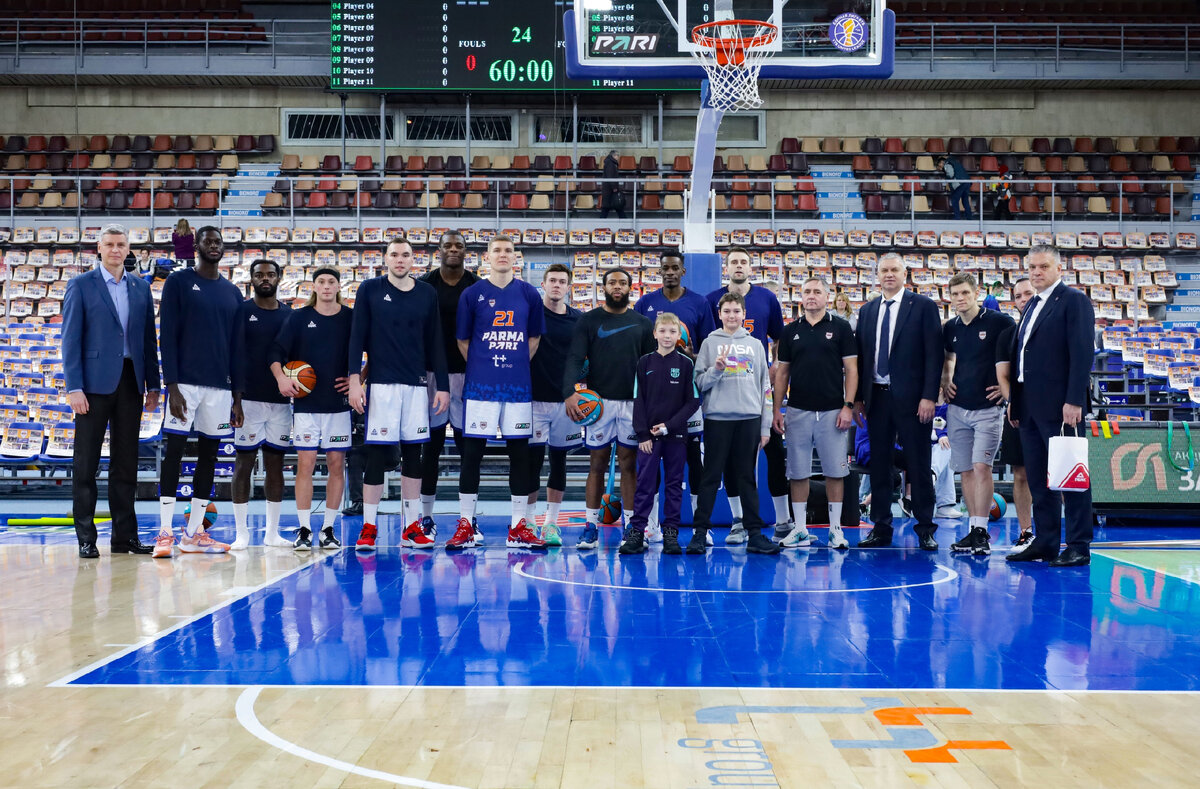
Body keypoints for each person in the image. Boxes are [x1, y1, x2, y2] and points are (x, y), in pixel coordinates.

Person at [63, 223, 160, 558]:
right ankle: (86, 538)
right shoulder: (80, 285)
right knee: (86, 464)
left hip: (131, 381)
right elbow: (70, 341)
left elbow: (148, 340)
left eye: (121, 244)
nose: (116, 249)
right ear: (99, 248)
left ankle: (124, 538)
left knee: (126, 463)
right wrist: (74, 387)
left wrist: (153, 384)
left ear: (128, 249)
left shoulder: (140, 287)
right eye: (110, 244)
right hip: (92, 386)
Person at [348, 237, 448, 551]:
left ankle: (411, 527)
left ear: (413, 259)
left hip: (416, 386)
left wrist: (443, 386)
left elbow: (435, 341)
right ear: (386, 259)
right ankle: (369, 526)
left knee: (414, 456)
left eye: (406, 254)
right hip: (381, 386)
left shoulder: (426, 293)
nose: (400, 259)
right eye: (394, 254)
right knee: (376, 455)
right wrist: (354, 379)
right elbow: (356, 336)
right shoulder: (369, 289)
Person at [447, 235, 546, 550]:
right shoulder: (472, 294)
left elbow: (533, 338)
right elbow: (463, 340)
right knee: (471, 455)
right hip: (481, 388)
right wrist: (484, 366)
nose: (503, 255)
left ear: (516, 257)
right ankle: (466, 524)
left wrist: (513, 365)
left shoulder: (529, 294)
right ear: (486, 257)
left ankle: (517, 527)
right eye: (497, 251)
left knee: (520, 456)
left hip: (517, 388)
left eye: (508, 250)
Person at [155, 226, 243, 558]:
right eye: (208, 241)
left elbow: (237, 348)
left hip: (220, 388)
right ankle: (165, 532)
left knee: (210, 456)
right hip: (185, 385)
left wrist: (237, 397)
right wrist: (172, 385)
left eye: (218, 241)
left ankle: (193, 534)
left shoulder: (232, 292)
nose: (214, 245)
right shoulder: (178, 282)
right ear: (196, 245)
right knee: (174, 453)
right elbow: (167, 335)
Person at [1006, 246, 1095, 567]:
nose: (1036, 272)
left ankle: (1078, 545)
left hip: (1060, 405)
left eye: (1043, 266)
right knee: (1038, 479)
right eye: (1032, 267)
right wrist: (1015, 402)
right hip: (1029, 405)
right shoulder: (1032, 305)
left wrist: (1074, 399)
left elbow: (1082, 353)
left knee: (1071, 476)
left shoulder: (1074, 301)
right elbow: (1022, 356)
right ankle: (1045, 541)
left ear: (1059, 268)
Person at [853, 253, 944, 550]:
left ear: (905, 274)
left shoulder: (923, 306)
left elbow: (934, 355)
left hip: (914, 400)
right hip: (876, 397)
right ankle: (881, 527)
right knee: (880, 466)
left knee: (918, 464)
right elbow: (862, 358)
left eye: (894, 270)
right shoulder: (867, 310)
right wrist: (858, 399)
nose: (889, 274)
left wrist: (929, 396)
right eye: (884, 270)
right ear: (877, 275)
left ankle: (925, 528)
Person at [564, 268, 655, 550]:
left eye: (623, 283)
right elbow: (575, 357)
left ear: (630, 288)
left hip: (632, 404)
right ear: (603, 287)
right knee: (597, 464)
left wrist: (651, 403)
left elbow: (651, 366)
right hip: (598, 404)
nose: (617, 286)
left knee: (629, 465)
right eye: (612, 282)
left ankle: (631, 528)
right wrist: (569, 393)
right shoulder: (589, 320)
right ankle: (590, 527)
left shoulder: (642, 323)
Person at [705, 247, 789, 541]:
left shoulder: (766, 298)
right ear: (726, 268)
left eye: (743, 262)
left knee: (775, 451)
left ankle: (783, 521)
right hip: (723, 393)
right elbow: (707, 342)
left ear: (751, 268)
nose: (739, 266)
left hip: (757, 389)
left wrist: (775, 364)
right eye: (734, 262)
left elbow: (779, 338)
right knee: (730, 462)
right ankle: (738, 520)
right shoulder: (712, 300)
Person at [772, 277, 858, 550]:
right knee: (798, 472)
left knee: (835, 472)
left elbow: (852, 370)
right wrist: (776, 409)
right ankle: (799, 529)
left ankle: (835, 530)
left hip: (833, 411)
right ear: (801, 296)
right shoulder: (790, 330)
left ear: (827, 296)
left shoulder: (841, 327)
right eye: (807, 291)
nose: (811, 295)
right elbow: (782, 373)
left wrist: (848, 405)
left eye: (817, 291)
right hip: (797, 410)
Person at [634, 251, 715, 541]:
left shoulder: (699, 303)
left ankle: (700, 527)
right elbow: (641, 346)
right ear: (660, 271)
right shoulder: (645, 303)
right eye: (665, 268)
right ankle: (651, 526)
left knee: (693, 463)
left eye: (674, 268)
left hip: (685, 396)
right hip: (655, 396)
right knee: (650, 468)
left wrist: (691, 356)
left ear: (683, 271)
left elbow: (707, 346)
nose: (669, 272)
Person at [271, 267, 353, 551]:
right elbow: (275, 352)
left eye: (331, 282)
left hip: (339, 405)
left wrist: (359, 380)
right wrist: (281, 378)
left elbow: (374, 349)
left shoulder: (350, 317)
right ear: (314, 287)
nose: (327, 286)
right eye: (321, 282)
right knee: (305, 464)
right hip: (306, 405)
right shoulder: (299, 318)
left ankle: (328, 528)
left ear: (339, 286)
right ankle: (304, 529)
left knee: (336, 465)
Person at [691, 293, 779, 555]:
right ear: (719, 314)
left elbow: (765, 387)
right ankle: (699, 534)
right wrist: (716, 370)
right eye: (727, 311)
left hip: (749, 420)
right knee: (710, 477)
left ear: (744, 314)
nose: (731, 315)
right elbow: (699, 383)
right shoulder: (709, 343)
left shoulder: (755, 345)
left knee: (746, 479)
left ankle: (754, 535)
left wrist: (765, 427)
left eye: (736, 311)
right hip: (717, 419)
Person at [942, 272, 1015, 555]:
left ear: (976, 293)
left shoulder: (1000, 322)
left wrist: (1006, 387)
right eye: (955, 294)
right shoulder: (950, 327)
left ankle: (982, 531)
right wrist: (945, 381)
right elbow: (947, 357)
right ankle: (973, 529)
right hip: (958, 408)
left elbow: (1016, 356)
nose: (960, 298)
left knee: (982, 467)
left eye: (965, 293)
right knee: (966, 470)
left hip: (988, 409)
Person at [622, 313, 698, 555]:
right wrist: (642, 434)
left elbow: (693, 401)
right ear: (655, 333)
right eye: (662, 331)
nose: (667, 336)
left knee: (674, 485)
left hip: (676, 437)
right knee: (645, 484)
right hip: (649, 439)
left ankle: (671, 534)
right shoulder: (644, 362)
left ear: (679, 336)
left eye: (672, 332)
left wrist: (669, 426)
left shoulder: (686, 364)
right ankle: (637, 532)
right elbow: (638, 400)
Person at [230, 258, 292, 550]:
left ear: (279, 278)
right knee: (244, 463)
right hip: (249, 400)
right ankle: (241, 533)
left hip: (281, 402)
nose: (265, 278)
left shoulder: (290, 315)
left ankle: (272, 533)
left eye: (270, 274)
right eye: (259, 274)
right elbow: (235, 356)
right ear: (251, 279)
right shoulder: (242, 311)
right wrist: (236, 400)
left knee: (275, 465)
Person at [418, 231, 478, 536]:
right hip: (432, 374)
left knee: (470, 450)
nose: (453, 249)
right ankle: (425, 518)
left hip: (469, 374)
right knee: (431, 448)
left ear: (467, 251)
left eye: (459, 246)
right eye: (448, 245)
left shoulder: (478, 286)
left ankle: (469, 519)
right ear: (438, 251)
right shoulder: (424, 285)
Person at [527, 262, 583, 546]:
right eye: (552, 281)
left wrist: (577, 392)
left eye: (562, 281)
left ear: (569, 287)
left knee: (559, 462)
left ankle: (550, 524)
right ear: (544, 285)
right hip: (533, 401)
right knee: (532, 463)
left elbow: (584, 360)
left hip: (566, 403)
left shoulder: (579, 320)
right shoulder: (531, 315)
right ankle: (527, 522)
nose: (557, 285)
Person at [995, 276, 1036, 547]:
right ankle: (1026, 531)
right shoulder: (1008, 335)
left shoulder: (1054, 327)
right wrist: (1012, 403)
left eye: (1028, 294)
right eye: (1018, 296)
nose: (1023, 299)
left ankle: (1059, 533)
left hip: (1050, 412)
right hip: (1019, 411)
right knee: (1021, 474)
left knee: (1055, 475)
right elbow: (1003, 376)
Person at [939, 154, 973, 220]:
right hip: (967, 182)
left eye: (939, 164)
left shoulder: (947, 164)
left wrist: (946, 178)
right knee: (965, 200)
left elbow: (950, 174)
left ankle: (957, 217)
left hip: (960, 183)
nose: (940, 166)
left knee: (954, 199)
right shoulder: (955, 162)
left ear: (942, 162)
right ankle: (969, 217)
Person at [600, 149, 625, 219]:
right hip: (610, 188)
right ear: (613, 155)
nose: (618, 157)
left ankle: (601, 221)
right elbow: (610, 176)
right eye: (617, 155)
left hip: (608, 188)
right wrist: (614, 187)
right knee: (616, 206)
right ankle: (624, 220)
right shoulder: (611, 164)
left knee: (610, 206)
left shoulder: (610, 162)